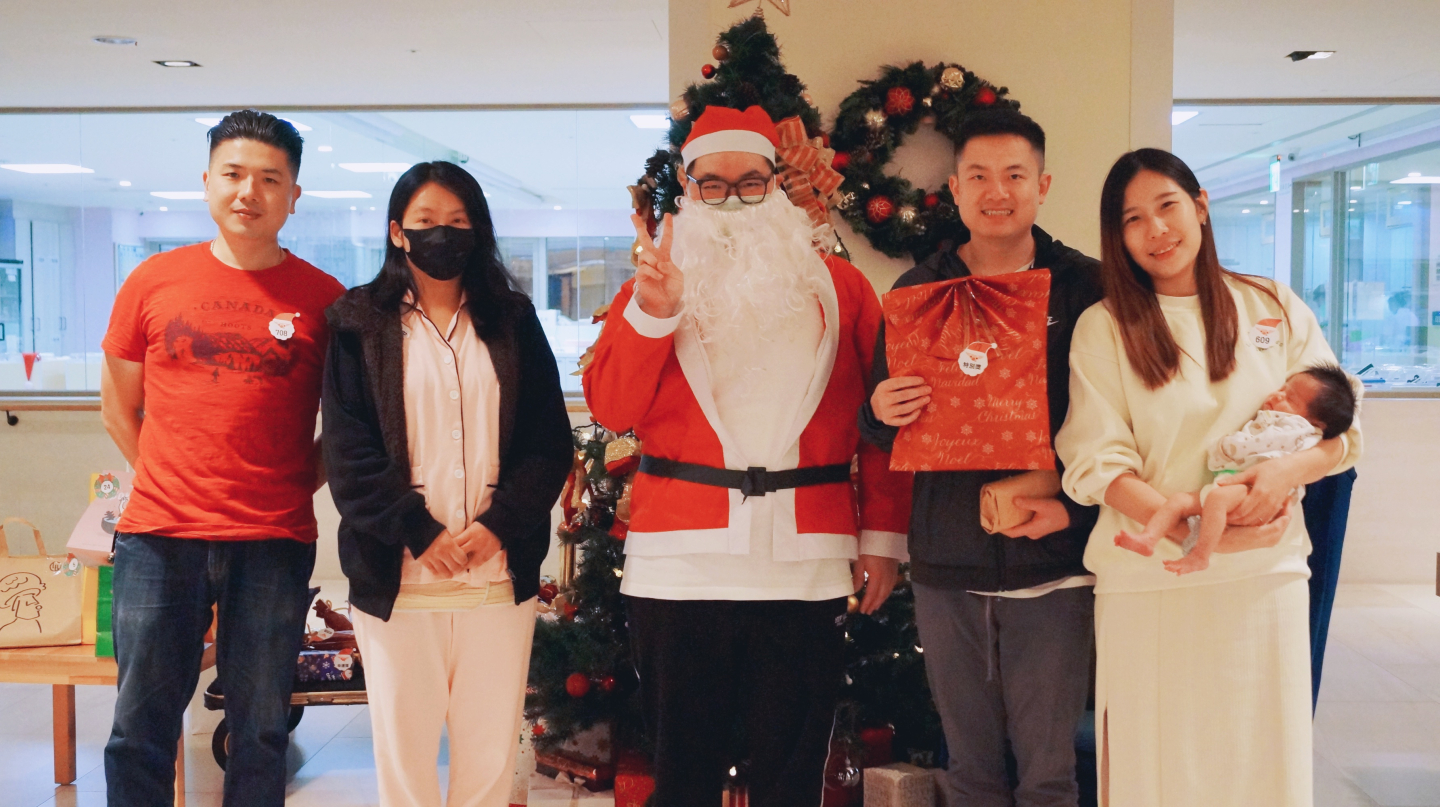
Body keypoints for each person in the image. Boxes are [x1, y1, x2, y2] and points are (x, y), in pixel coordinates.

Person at [583, 105, 912, 807]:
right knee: (683, 780)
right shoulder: (651, 287)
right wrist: (653, 313)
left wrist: (883, 538)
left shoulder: (842, 289)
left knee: (792, 781)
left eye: (751, 183)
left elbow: (881, 424)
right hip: (679, 567)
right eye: (712, 185)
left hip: (806, 564)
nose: (732, 201)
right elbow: (611, 407)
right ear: (686, 187)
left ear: (777, 183)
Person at [1055, 148, 1362, 806]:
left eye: (1167, 206)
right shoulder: (1104, 328)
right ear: (1118, 236)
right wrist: (1191, 527)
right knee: (1155, 769)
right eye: (1133, 219)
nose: (1156, 230)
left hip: (1265, 577)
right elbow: (1096, 462)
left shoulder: (1272, 305)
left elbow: (1343, 430)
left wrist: (1284, 472)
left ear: (1199, 206)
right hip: (1152, 580)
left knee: (1260, 767)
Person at [100, 109, 346, 807]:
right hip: (159, 537)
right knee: (139, 727)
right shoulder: (153, 280)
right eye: (233, 174)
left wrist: (292, 485)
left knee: (260, 729)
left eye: (269, 178)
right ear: (206, 181)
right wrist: (166, 476)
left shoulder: (325, 300)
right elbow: (118, 406)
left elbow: (343, 428)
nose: (248, 192)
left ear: (294, 194)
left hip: (273, 540)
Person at [860, 109, 1102, 807]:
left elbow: (1120, 427)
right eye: (980, 176)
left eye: (1015, 175)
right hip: (948, 562)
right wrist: (881, 411)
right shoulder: (917, 292)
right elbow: (879, 430)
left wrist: (1076, 513)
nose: (998, 192)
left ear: (1042, 185)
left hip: (1054, 564)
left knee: (1049, 774)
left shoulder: (1086, 289)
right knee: (969, 771)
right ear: (956, 191)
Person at [322, 161, 571, 807]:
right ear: (397, 231)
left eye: (458, 222)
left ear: (478, 230)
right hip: (400, 578)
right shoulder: (357, 322)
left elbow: (547, 442)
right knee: (404, 764)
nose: (442, 234)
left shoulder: (511, 319)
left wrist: (498, 526)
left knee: (489, 759)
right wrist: (420, 532)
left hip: (496, 577)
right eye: (426, 221)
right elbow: (349, 454)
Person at [1115, 363, 1358, 575]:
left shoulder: (1298, 431)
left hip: (1254, 489)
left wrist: (1226, 447)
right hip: (1237, 482)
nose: (1276, 395)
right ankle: (1149, 538)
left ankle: (1200, 555)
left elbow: (1252, 445)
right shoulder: (1280, 421)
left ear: (1315, 423)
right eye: (1283, 389)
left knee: (1217, 500)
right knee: (1179, 501)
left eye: (1290, 399)